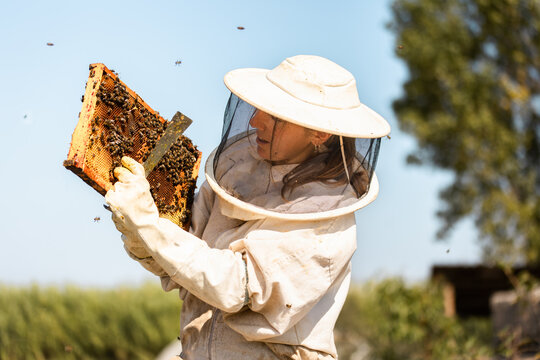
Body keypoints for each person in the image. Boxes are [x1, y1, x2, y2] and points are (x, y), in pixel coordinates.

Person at [105, 55, 391, 359]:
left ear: (319, 134)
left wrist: (149, 225)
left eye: (275, 116)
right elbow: (179, 261)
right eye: (258, 109)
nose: (255, 121)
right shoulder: (234, 179)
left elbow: (236, 287)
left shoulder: (328, 226)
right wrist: (137, 231)